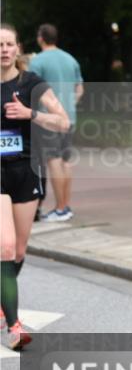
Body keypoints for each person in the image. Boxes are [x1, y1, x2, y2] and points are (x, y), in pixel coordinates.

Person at [1, 23, 71, 349]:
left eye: (8, 44)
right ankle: (14, 326)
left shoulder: (31, 83)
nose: (3, 49)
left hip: (26, 171)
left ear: (18, 49)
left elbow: (63, 120)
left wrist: (30, 114)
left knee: (18, 251)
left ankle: (3, 300)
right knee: (4, 246)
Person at [29, 23, 83, 222]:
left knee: (53, 161)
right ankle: (65, 206)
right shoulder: (70, 59)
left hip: (48, 120)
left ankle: (59, 209)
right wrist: (68, 106)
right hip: (69, 117)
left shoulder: (38, 62)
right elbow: (80, 89)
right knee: (66, 161)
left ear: (41, 38)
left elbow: (33, 91)